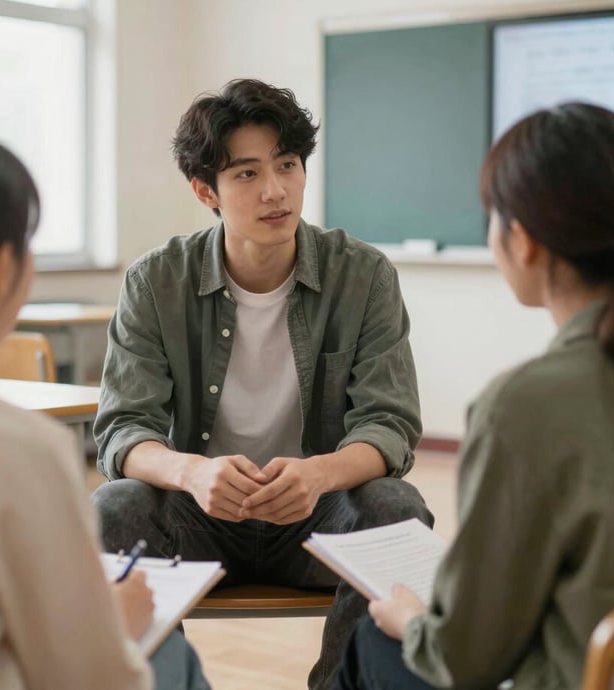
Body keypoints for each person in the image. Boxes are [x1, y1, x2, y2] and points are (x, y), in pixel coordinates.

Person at [92, 78, 434, 690]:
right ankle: (173, 681)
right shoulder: (155, 280)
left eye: (287, 165)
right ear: (206, 191)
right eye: (247, 174)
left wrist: (319, 474)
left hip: (315, 517)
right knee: (112, 508)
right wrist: (193, 472)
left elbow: (389, 424)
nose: (275, 190)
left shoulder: (363, 275)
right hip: (200, 515)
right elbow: (123, 428)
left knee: (397, 509)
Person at [333, 102, 614, 690]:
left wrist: (414, 619)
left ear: (524, 241)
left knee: (374, 641)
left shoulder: (523, 408)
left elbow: (465, 661)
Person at [0, 123, 210, 690]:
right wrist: (120, 620)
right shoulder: (16, 450)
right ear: (1, 271)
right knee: (169, 657)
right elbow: (93, 679)